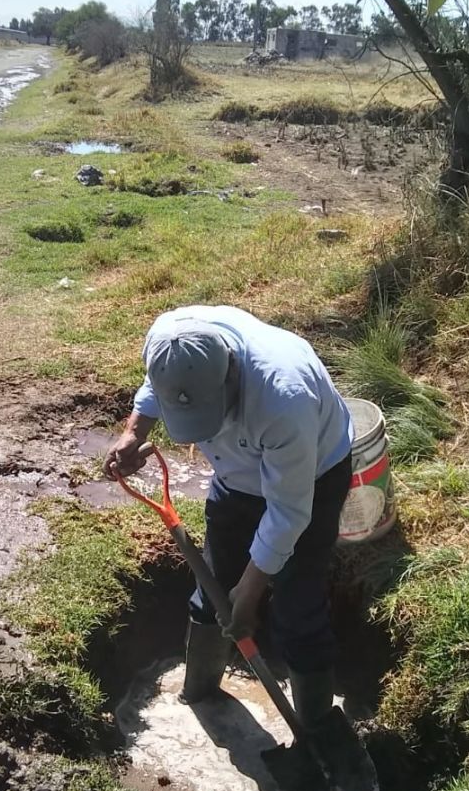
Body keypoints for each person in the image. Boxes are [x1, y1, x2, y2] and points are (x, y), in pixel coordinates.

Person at [105, 305, 354, 730]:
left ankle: (315, 731)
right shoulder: (169, 341)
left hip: (312, 473)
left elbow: (288, 511)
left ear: (231, 373)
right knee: (213, 587)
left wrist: (251, 590)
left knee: (297, 607)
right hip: (234, 477)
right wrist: (134, 432)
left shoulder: (284, 397)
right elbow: (156, 385)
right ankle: (199, 693)